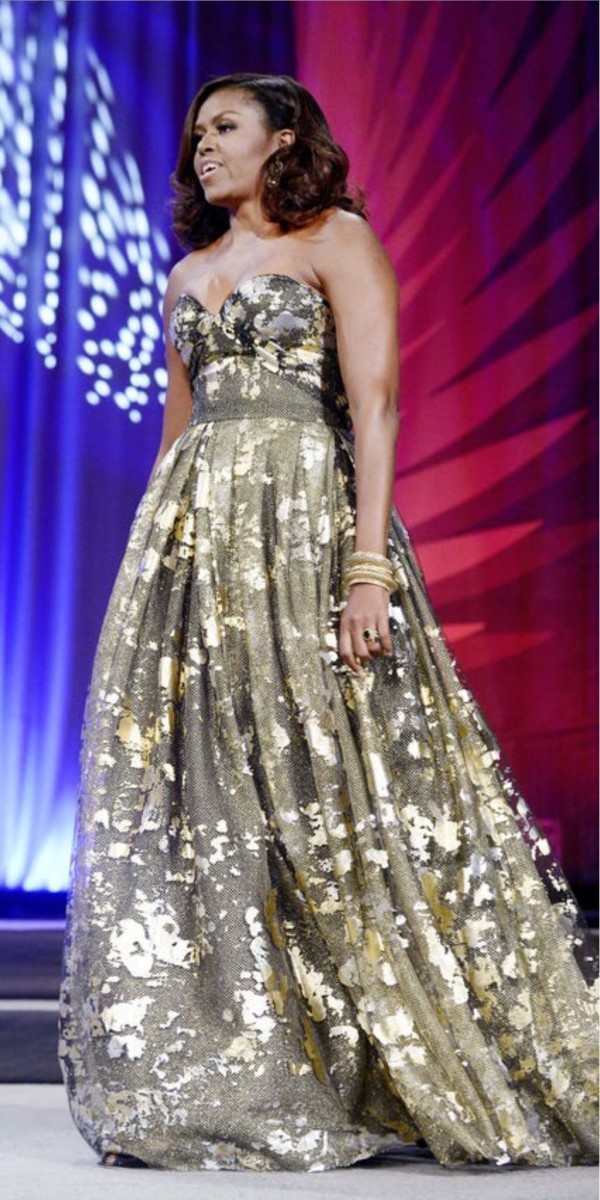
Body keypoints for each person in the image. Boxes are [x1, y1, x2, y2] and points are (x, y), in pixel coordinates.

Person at [58, 72, 598, 1174]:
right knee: (214, 799)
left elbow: (378, 401)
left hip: (306, 531)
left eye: (226, 128)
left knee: (340, 786)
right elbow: (176, 434)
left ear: (283, 136)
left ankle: (400, 1054)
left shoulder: (335, 239)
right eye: (197, 133)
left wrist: (365, 571)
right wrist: (144, 589)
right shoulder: (187, 273)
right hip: (195, 551)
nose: (203, 148)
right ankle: (243, 1067)